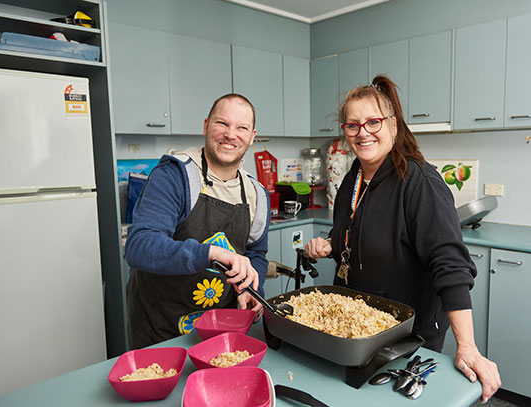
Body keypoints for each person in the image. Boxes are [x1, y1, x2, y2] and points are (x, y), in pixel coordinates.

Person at [304, 75, 501, 403]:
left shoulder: (418, 181)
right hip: (358, 328)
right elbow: (356, 235)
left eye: (373, 122)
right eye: (352, 125)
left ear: (393, 124)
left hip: (407, 334)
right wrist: (331, 244)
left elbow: (449, 264)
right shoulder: (354, 178)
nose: (362, 132)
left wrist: (467, 346)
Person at [125, 94, 270, 349]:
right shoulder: (175, 175)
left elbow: (256, 253)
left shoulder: (256, 194)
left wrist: (250, 287)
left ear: (252, 136)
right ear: (206, 126)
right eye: (222, 123)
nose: (230, 134)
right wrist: (210, 253)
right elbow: (139, 246)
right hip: (162, 329)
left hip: (221, 329)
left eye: (241, 128)